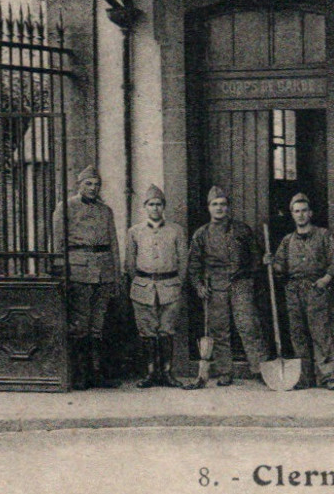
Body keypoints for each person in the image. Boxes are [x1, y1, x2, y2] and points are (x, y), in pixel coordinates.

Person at [183, 186, 267, 388]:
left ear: (228, 207)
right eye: (215, 204)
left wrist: (249, 279)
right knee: (219, 330)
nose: (219, 208)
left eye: (223, 204)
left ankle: (261, 369)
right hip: (215, 285)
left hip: (240, 284)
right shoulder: (201, 234)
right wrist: (199, 286)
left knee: (248, 326)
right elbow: (193, 264)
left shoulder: (242, 230)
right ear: (208, 208)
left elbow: (256, 257)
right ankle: (224, 371)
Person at [51, 165, 119, 390]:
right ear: (79, 184)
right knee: (80, 324)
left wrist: (115, 275)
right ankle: (78, 373)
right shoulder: (66, 208)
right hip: (78, 269)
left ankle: (95, 373)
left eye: (97, 184)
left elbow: (114, 245)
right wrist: (62, 273)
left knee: (97, 324)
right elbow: (58, 243)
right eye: (88, 183)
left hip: (103, 270)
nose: (93, 188)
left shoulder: (105, 210)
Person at [271, 192, 334, 390]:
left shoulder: (323, 235)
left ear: (310, 213)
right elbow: (279, 268)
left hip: (315, 289)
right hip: (293, 290)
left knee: (320, 334)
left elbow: (333, 261)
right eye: (296, 211)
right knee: (298, 335)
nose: (300, 215)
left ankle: (329, 377)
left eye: (304, 211)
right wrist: (271, 263)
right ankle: (305, 377)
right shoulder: (287, 241)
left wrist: (325, 280)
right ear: (292, 214)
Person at [124, 184, 189, 388]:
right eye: (151, 204)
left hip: (170, 286)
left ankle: (167, 373)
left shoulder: (176, 230)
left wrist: (178, 283)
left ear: (164, 207)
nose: (155, 208)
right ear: (145, 207)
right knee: (147, 331)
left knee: (167, 330)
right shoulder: (135, 232)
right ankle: (151, 373)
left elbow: (183, 261)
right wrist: (141, 280)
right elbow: (129, 262)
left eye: (159, 204)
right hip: (143, 286)